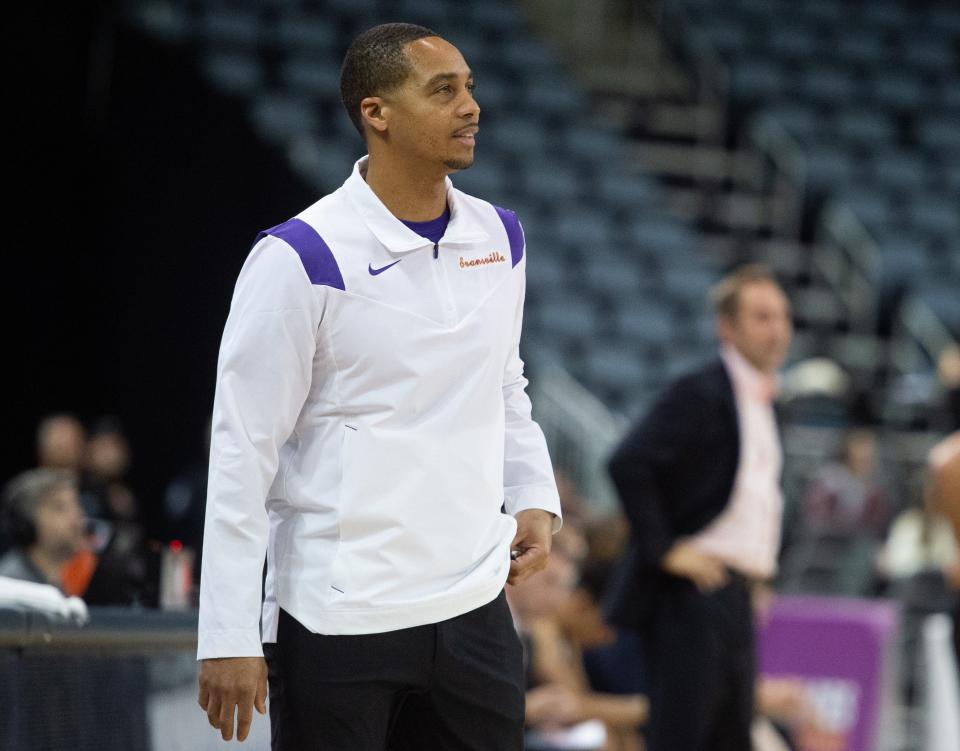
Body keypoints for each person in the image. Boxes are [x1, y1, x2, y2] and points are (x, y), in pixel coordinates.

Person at [196, 22, 562, 750]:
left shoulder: (502, 237)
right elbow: (243, 450)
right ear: (377, 113)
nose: (471, 107)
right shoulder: (300, 256)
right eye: (443, 90)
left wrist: (533, 493)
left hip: (473, 605)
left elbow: (505, 383)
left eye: (471, 88)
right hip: (340, 616)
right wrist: (227, 632)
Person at [605, 264, 793, 751]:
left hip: (736, 594)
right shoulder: (701, 391)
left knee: (733, 736)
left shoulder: (765, 402)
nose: (778, 331)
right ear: (725, 327)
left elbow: (755, 500)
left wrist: (760, 576)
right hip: (691, 593)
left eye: (782, 318)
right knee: (682, 737)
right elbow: (629, 462)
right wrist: (665, 549)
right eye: (762, 317)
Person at [0, 468, 86, 591]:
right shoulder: (9, 587)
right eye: (59, 508)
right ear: (26, 521)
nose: (76, 517)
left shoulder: (59, 585)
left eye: (76, 505)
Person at [802, 428, 891, 538]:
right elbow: (815, 519)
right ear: (847, 450)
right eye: (860, 447)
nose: (865, 454)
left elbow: (878, 524)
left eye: (869, 449)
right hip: (826, 543)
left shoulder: (876, 488)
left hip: (861, 545)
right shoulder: (828, 481)